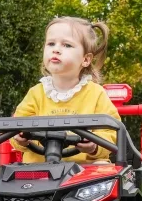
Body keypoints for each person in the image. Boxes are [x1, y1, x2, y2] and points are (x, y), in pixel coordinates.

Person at [11, 16, 121, 163]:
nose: (56, 49)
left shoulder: (96, 94)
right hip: (38, 173)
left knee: (105, 170)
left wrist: (95, 145)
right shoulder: (35, 94)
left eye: (67, 45)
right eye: (51, 44)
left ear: (86, 59)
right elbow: (15, 130)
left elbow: (112, 132)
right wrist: (19, 139)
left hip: (85, 173)